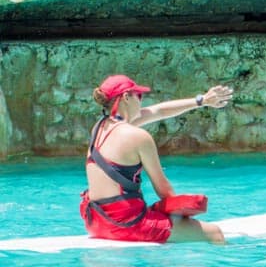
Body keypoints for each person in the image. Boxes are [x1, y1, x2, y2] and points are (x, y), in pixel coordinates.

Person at [80, 74, 234, 244]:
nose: (141, 100)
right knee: (214, 233)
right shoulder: (138, 137)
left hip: (96, 222)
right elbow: (164, 190)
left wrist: (201, 100)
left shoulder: (98, 128)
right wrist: (186, 214)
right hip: (126, 226)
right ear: (126, 97)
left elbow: (159, 111)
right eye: (138, 96)